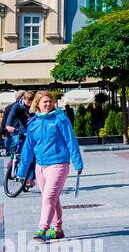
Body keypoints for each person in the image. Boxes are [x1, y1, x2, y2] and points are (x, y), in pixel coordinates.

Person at [22, 91, 85, 242]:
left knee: (49, 197)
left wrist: (77, 162)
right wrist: (22, 170)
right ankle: (57, 229)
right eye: (45, 102)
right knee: (52, 198)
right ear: (37, 104)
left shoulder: (60, 119)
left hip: (58, 164)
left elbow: (71, 140)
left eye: (50, 102)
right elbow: (28, 147)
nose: (48, 104)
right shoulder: (33, 123)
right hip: (40, 167)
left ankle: (42, 229)